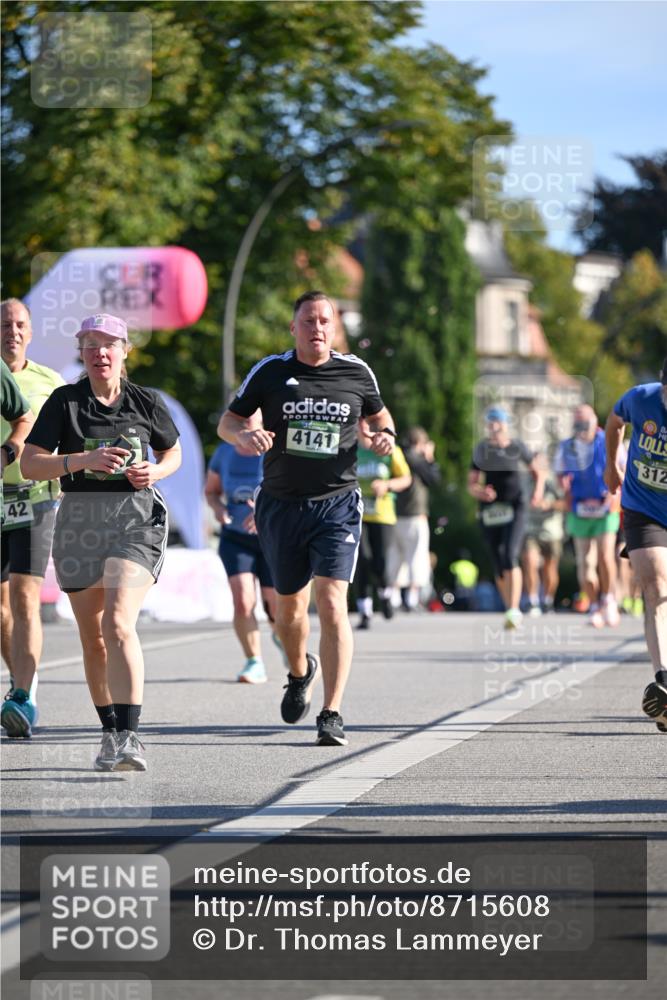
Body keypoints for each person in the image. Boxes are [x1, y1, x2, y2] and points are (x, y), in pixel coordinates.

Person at [218, 290, 396, 747]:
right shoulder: (271, 371)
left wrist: (385, 437)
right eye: (309, 320)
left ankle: (331, 713)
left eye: (324, 320)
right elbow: (228, 422)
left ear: (334, 327)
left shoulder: (356, 372)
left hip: (337, 503)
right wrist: (244, 436)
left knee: (333, 603)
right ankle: (299, 672)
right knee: (289, 612)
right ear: (293, 327)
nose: (317, 328)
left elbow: (381, 417)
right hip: (281, 505)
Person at [20, 313, 181, 770]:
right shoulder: (65, 402)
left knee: (118, 622)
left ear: (125, 350)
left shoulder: (145, 401)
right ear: (82, 353)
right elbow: (30, 464)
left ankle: (130, 736)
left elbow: (172, 452)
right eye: (90, 345)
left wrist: (156, 471)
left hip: (135, 520)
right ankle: (110, 732)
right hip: (79, 521)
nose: (100, 352)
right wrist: (81, 460)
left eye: (109, 344)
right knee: (93, 639)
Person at [1, 299, 65, 738]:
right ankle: (19, 679)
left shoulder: (49, 381)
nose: (13, 331)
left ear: (31, 331)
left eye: (20, 324)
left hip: (34, 498)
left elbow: (67, 437)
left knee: (25, 598)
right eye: (5, 325)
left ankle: (24, 694)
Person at [605, 359, 667, 732]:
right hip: (644, 508)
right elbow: (615, 421)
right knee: (656, 587)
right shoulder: (640, 398)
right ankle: (664, 681)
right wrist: (611, 466)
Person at [205, 411, 287, 682]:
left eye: (251, 416)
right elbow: (211, 492)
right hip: (235, 537)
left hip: (272, 538)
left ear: (262, 421)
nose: (244, 420)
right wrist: (218, 509)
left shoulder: (275, 449)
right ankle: (254, 661)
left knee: (275, 605)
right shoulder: (224, 453)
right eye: (240, 416)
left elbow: (290, 491)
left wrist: (263, 510)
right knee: (243, 601)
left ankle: (283, 637)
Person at [467, 406, 543, 630]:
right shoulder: (482, 449)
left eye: (498, 422)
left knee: (510, 554)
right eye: (490, 422)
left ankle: (514, 609)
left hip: (515, 507)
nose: (494, 426)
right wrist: (481, 492)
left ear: (506, 425)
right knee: (498, 562)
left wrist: (537, 493)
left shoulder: (516, 446)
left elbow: (538, 472)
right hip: (491, 511)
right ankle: (509, 606)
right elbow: (471, 484)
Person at [554, 403, 622, 629]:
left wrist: (614, 493)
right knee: (585, 562)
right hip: (579, 508)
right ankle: (594, 605)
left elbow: (624, 468)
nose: (581, 427)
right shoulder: (567, 447)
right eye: (577, 423)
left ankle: (609, 599)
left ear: (594, 422)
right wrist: (563, 485)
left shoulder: (609, 440)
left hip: (605, 507)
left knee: (605, 555)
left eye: (585, 422)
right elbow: (559, 473)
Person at [354, 417, 411, 629]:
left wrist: (386, 485)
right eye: (359, 421)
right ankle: (365, 611)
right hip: (356, 514)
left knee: (380, 560)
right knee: (361, 560)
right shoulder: (348, 449)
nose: (363, 426)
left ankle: (386, 594)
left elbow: (406, 478)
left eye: (368, 422)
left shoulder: (389, 449)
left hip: (382, 514)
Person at [386, 426, 440, 612]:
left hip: (393, 514)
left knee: (395, 555)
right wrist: (430, 457)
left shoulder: (396, 455)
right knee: (416, 556)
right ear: (419, 443)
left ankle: (393, 597)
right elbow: (433, 478)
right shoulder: (415, 459)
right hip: (414, 514)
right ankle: (412, 597)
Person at [520, 475, 565, 615]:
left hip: (551, 531)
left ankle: (547, 600)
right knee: (530, 562)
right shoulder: (524, 480)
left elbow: (567, 503)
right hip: (530, 530)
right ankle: (532, 601)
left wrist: (549, 504)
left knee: (549, 568)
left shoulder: (554, 481)